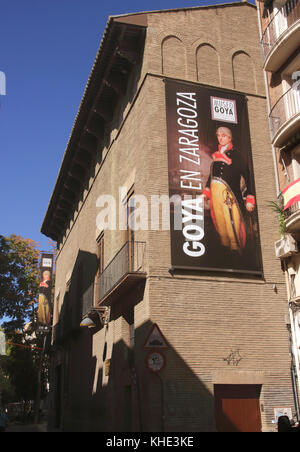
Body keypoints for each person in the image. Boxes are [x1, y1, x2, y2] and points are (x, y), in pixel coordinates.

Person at [203, 126, 255, 252]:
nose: (220, 138)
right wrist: (206, 193)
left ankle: (235, 248)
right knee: (220, 221)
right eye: (219, 136)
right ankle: (224, 248)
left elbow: (248, 176)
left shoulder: (237, 155)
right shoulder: (216, 157)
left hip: (229, 192)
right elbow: (211, 176)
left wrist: (250, 199)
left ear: (230, 138)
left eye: (223, 135)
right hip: (215, 192)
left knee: (231, 220)